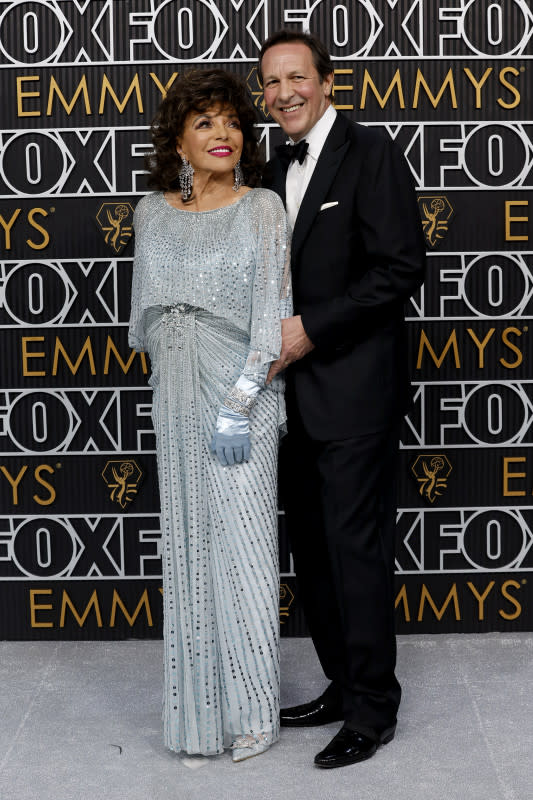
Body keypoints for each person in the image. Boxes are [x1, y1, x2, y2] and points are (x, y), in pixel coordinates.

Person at [259, 30, 426, 768]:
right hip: (287, 401)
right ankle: (338, 683)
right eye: (270, 82)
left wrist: (309, 331)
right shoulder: (269, 171)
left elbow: (399, 268)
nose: (283, 92)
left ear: (325, 82)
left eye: (296, 77)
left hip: (355, 391)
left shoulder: (372, 153)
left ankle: (372, 709)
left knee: (354, 552)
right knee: (314, 556)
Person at [128, 68, 291, 762]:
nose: (221, 133)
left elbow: (271, 315)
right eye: (204, 122)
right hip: (176, 392)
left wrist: (241, 399)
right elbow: (143, 318)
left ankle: (255, 709)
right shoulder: (151, 211)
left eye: (230, 121)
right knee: (189, 549)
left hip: (239, 393)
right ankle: (197, 715)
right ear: (178, 141)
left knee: (246, 552)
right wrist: (174, 385)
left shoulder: (262, 208)